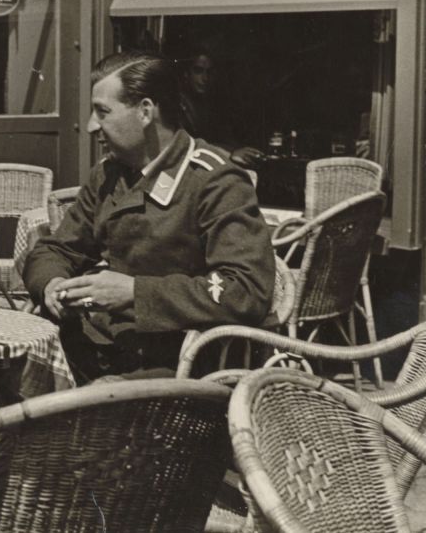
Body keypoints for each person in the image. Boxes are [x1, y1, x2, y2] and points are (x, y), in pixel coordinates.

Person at [23, 51, 275, 383]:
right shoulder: (109, 175)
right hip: (96, 350)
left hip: (175, 365)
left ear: (145, 111)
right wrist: (52, 284)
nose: (90, 126)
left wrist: (135, 293)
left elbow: (247, 289)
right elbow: (54, 250)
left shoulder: (214, 181)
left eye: (103, 112)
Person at [181, 46, 265, 167]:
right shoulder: (178, 104)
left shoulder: (210, 104)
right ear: (186, 74)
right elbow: (189, 146)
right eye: (198, 71)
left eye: (209, 72)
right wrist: (231, 153)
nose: (205, 78)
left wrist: (241, 151)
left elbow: (220, 138)